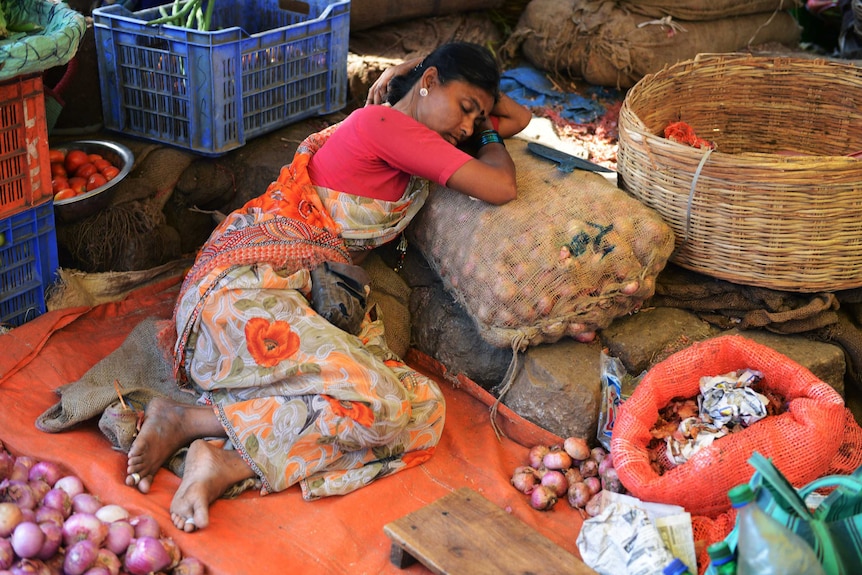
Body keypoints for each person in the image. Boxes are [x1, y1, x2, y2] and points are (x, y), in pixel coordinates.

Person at [123, 41, 532, 533]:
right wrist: (434, 79)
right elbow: (502, 185)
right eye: (465, 108)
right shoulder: (388, 126)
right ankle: (199, 430)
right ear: (430, 83)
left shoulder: (413, 128)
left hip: (306, 293)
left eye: (475, 117)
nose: (467, 127)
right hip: (246, 288)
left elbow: (518, 116)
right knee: (382, 403)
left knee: (419, 408)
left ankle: (213, 443)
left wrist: (446, 91)